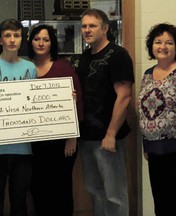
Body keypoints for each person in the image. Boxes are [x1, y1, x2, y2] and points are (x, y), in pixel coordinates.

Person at [75, 8, 134, 216]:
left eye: (92, 26)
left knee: (114, 194)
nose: (87, 30)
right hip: (87, 137)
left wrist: (110, 134)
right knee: (95, 190)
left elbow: (124, 96)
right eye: (84, 26)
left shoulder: (118, 55)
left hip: (108, 139)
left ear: (106, 28)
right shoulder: (84, 57)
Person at [0, 18, 37, 216]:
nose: (12, 40)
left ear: (22, 39)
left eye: (17, 35)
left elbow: (35, 103)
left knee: (19, 203)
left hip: (22, 147)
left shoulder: (30, 68)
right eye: (8, 35)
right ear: (0, 40)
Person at [27, 24, 83, 216]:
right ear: (30, 41)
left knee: (61, 186)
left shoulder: (62, 67)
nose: (41, 43)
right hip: (34, 141)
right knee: (37, 186)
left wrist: (72, 138)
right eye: (37, 39)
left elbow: (77, 103)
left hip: (61, 142)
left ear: (52, 43)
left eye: (46, 39)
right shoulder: (25, 68)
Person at [138, 23, 176, 215]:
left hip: (174, 147)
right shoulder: (147, 75)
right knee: (161, 201)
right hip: (153, 149)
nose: (163, 46)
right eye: (158, 42)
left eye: (169, 42)